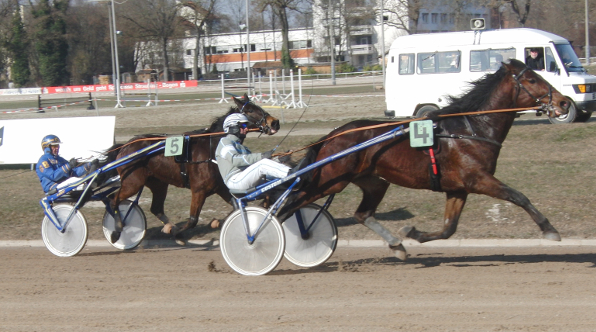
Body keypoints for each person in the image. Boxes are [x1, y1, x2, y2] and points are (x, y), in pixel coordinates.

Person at [215, 113, 290, 191]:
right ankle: (291, 173)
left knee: (278, 178)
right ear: (233, 127)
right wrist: (261, 156)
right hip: (235, 180)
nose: (246, 129)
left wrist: (278, 160)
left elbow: (253, 165)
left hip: (246, 178)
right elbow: (235, 160)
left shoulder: (243, 148)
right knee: (263, 164)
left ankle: (294, 180)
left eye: (246, 126)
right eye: (243, 126)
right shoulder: (225, 142)